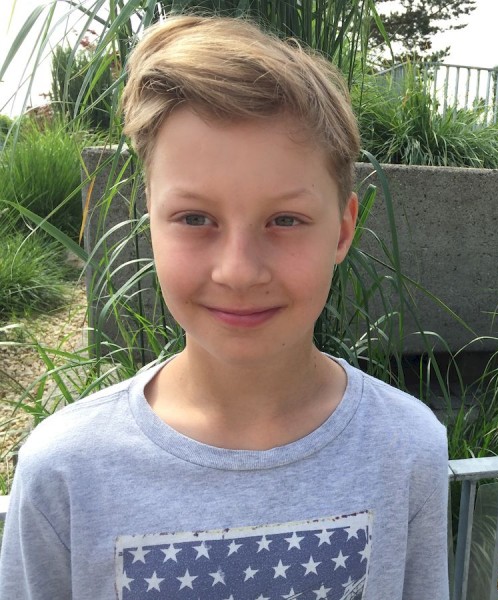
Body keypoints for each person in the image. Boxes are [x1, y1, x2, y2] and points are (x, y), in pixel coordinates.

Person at [0, 15, 449, 599]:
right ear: (150, 221)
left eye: (285, 219)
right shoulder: (64, 473)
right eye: (195, 218)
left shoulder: (408, 448)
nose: (237, 271)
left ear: (342, 231)